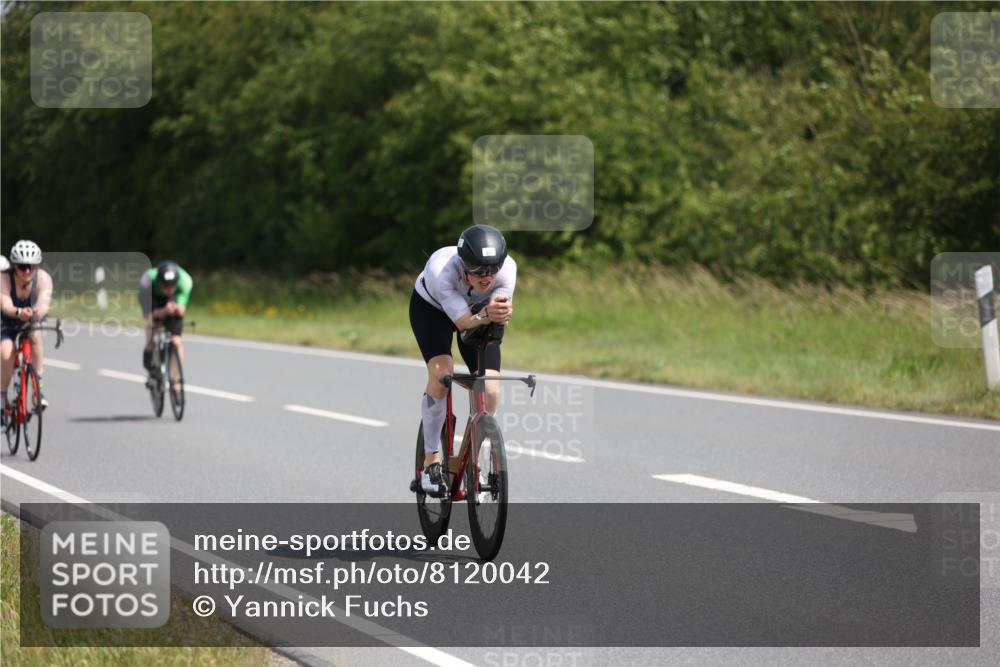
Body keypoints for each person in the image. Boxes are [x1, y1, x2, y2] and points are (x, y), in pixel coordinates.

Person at [410, 224, 515, 493]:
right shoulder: (442, 272)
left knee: (490, 388)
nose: (486, 276)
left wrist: (497, 314)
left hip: (478, 312)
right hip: (433, 310)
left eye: (492, 268)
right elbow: (462, 322)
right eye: (477, 269)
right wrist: (487, 315)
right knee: (442, 373)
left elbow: (495, 316)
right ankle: (431, 462)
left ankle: (472, 460)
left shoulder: (508, 270)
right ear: (463, 264)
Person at [1, 241, 54, 422]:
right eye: (22, 267)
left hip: (30, 317)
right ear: (14, 266)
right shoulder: (4, 278)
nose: (27, 271)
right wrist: (19, 312)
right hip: (7, 319)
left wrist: (35, 312)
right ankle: (2, 399)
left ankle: (37, 389)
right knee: (6, 352)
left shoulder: (44, 279)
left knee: (35, 334)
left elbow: (43, 304)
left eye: (31, 267)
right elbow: (6, 305)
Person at [138, 260, 192, 382]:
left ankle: (175, 379)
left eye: (172, 286)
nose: (169, 290)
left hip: (174, 300)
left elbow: (182, 310)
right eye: (166, 286)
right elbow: (147, 314)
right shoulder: (147, 280)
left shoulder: (185, 281)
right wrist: (161, 312)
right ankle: (149, 353)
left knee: (176, 341)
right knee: (152, 326)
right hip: (153, 297)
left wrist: (177, 309)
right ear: (159, 282)